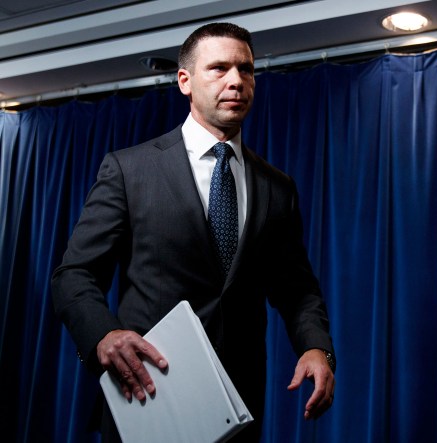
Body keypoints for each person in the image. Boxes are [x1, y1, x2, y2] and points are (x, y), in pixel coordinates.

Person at [51, 22, 335, 442]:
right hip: (148, 397)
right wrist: (103, 335)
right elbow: (73, 275)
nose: (236, 81)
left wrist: (316, 347)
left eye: (246, 70)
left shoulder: (278, 187)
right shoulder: (130, 169)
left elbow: (296, 289)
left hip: (238, 408)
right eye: (219, 69)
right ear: (184, 81)